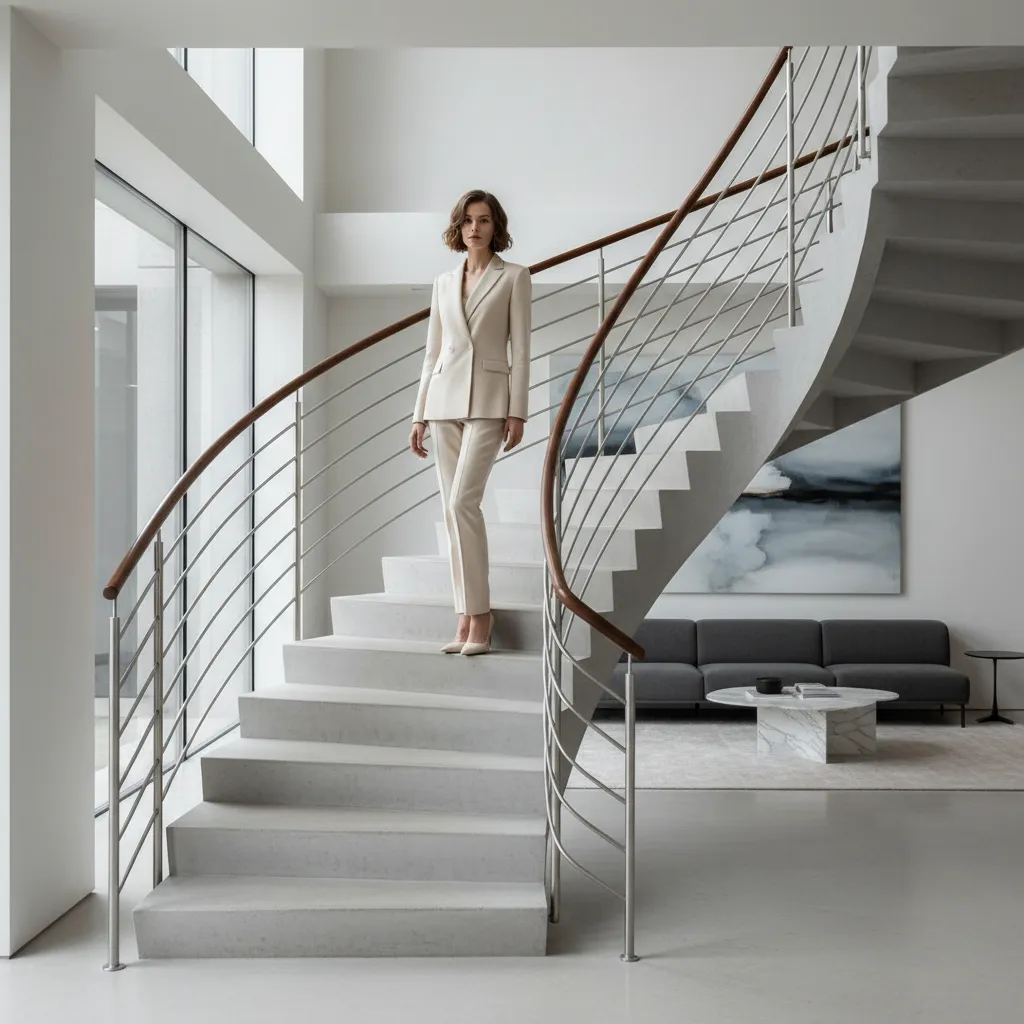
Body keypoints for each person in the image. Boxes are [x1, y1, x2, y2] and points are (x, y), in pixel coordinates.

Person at [408, 190, 532, 656]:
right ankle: (464, 615)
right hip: (442, 402)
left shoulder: (514, 276)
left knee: (463, 502)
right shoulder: (443, 282)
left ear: (495, 226)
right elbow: (432, 353)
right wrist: (419, 414)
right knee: (451, 509)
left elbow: (522, 348)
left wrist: (517, 410)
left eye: (482, 220)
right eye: (467, 221)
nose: (474, 228)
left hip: (489, 400)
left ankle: (480, 616)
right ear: (458, 227)